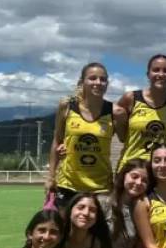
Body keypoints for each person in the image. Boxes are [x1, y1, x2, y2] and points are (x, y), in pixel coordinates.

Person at [46, 62, 118, 209]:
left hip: (101, 187)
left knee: (98, 232)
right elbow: (57, 140)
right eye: (92, 78)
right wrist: (50, 177)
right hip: (68, 185)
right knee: (66, 230)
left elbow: (125, 140)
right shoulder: (66, 106)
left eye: (102, 79)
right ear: (82, 82)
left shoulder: (114, 112)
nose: (98, 82)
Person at [115, 54, 166, 170]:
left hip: (160, 171)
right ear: (148, 74)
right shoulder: (131, 98)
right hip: (131, 169)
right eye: (156, 70)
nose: (161, 74)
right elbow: (114, 129)